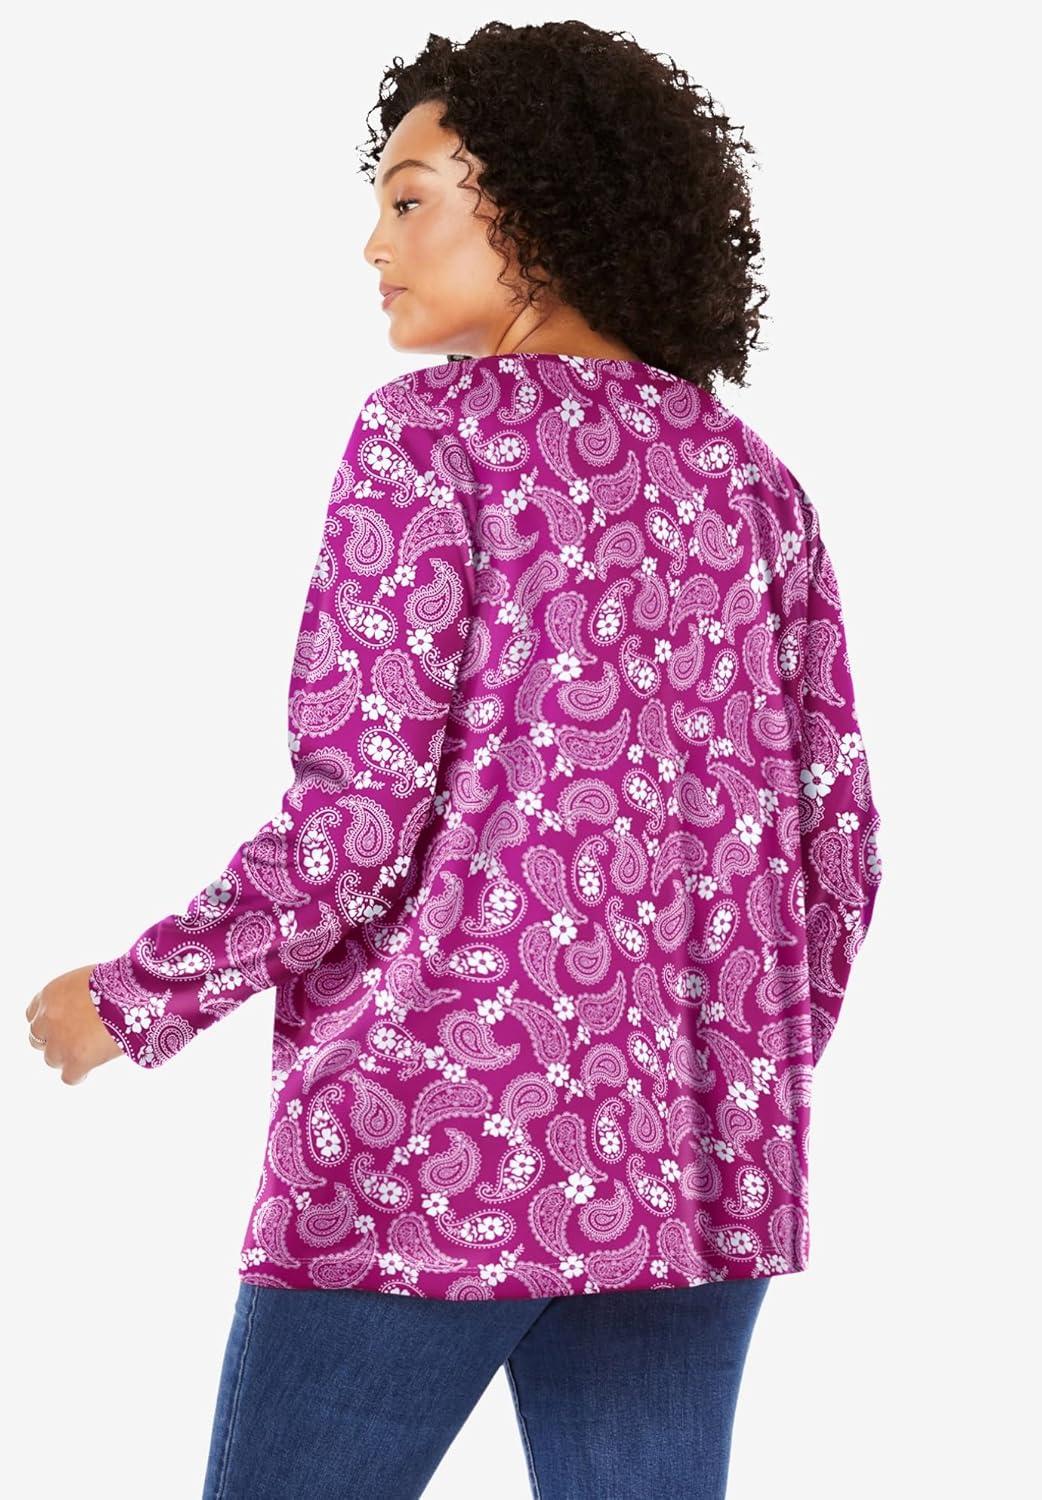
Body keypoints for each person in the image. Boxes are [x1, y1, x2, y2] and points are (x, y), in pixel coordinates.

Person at [27, 20, 883, 1500]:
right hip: (693, 1163)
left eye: (411, 199)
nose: (374, 244)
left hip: (428, 1140)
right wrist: (720, 1072)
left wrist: (133, 998)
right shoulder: (751, 483)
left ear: (541, 209)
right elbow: (841, 850)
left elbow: (355, 824)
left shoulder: (430, 439)